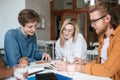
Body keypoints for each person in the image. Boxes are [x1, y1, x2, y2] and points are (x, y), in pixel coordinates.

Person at [54, 1, 120, 80]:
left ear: (107, 18)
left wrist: (74, 67)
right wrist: (84, 62)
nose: (92, 25)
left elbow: (107, 69)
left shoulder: (118, 37)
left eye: (94, 21)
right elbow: (101, 62)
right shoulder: (103, 37)